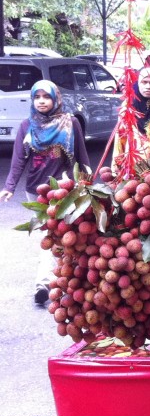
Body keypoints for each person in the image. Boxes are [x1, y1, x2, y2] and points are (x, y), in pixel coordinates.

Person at [0, 81, 91, 305]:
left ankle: (56, 282)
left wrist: (88, 183)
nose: (41, 101)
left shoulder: (70, 123)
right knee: (49, 236)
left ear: (55, 98)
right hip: (36, 192)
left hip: (64, 188)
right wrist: (9, 187)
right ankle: (47, 283)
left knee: (64, 235)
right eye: (37, 96)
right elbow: (19, 159)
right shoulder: (26, 125)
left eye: (46, 96)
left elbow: (81, 154)